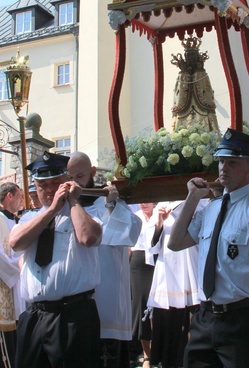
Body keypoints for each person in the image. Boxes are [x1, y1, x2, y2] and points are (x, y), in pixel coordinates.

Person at [168, 128, 249, 368]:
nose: (223, 168)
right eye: (220, 161)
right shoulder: (211, 209)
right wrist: (192, 198)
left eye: (233, 163)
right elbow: (175, 243)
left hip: (244, 320)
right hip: (204, 318)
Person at [9, 151, 102, 368]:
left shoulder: (85, 212)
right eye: (43, 186)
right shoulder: (31, 218)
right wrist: (51, 211)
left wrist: (71, 201)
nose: (49, 190)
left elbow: (88, 237)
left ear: (67, 182)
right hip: (34, 316)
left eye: (55, 183)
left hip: (73, 315)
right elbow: (15, 243)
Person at [68, 151, 142, 368]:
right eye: (70, 178)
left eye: (80, 177)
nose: (75, 184)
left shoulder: (109, 203)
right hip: (75, 307)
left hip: (107, 303)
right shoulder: (66, 207)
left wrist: (112, 205)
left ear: (92, 172)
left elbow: (129, 234)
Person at [146, 200, 205, 368]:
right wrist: (159, 223)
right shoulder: (161, 206)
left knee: (194, 321)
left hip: (191, 266)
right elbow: (152, 248)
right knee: (169, 324)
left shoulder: (200, 203)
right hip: (168, 272)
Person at [0, 182, 24, 368]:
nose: (22, 201)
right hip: (5, 288)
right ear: (9, 196)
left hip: (16, 288)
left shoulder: (15, 220)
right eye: (20, 196)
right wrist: (23, 268)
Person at [130, 203, 156, 367]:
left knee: (161, 307)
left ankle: (161, 351)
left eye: (148, 200)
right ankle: (146, 354)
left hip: (159, 259)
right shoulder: (135, 217)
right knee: (140, 306)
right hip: (138, 262)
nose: (144, 203)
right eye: (142, 200)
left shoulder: (162, 214)